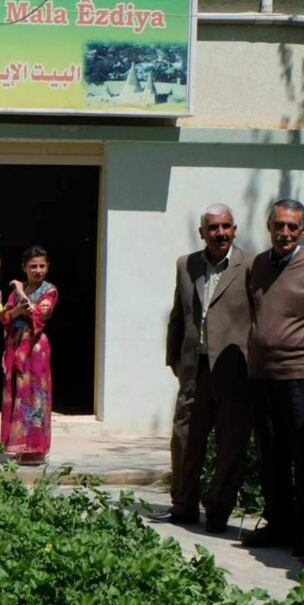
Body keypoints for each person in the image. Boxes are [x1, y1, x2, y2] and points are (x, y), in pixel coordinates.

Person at [163, 204, 252, 533]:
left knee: (231, 442)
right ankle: (183, 504)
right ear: (202, 233)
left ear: (235, 229)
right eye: (213, 228)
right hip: (194, 368)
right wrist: (174, 358)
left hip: (233, 370)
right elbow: (178, 314)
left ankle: (218, 509)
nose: (221, 233)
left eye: (226, 226)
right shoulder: (187, 265)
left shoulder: (250, 265)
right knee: (185, 439)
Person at [243, 198, 304, 555]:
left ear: (301, 230)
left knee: (301, 453)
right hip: (261, 376)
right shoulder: (256, 266)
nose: (285, 233)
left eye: (292, 227)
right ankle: (277, 525)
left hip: (298, 376)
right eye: (279, 225)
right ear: (269, 226)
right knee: (271, 454)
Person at [0, 246, 58, 465]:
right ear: (24, 268)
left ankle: (35, 447)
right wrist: (16, 311)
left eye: (42, 266)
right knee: (17, 393)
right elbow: (5, 316)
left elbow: (39, 314)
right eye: (33, 266)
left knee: (34, 394)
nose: (38, 270)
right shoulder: (17, 290)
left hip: (35, 348)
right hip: (16, 345)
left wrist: (21, 297)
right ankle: (18, 446)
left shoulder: (49, 290)